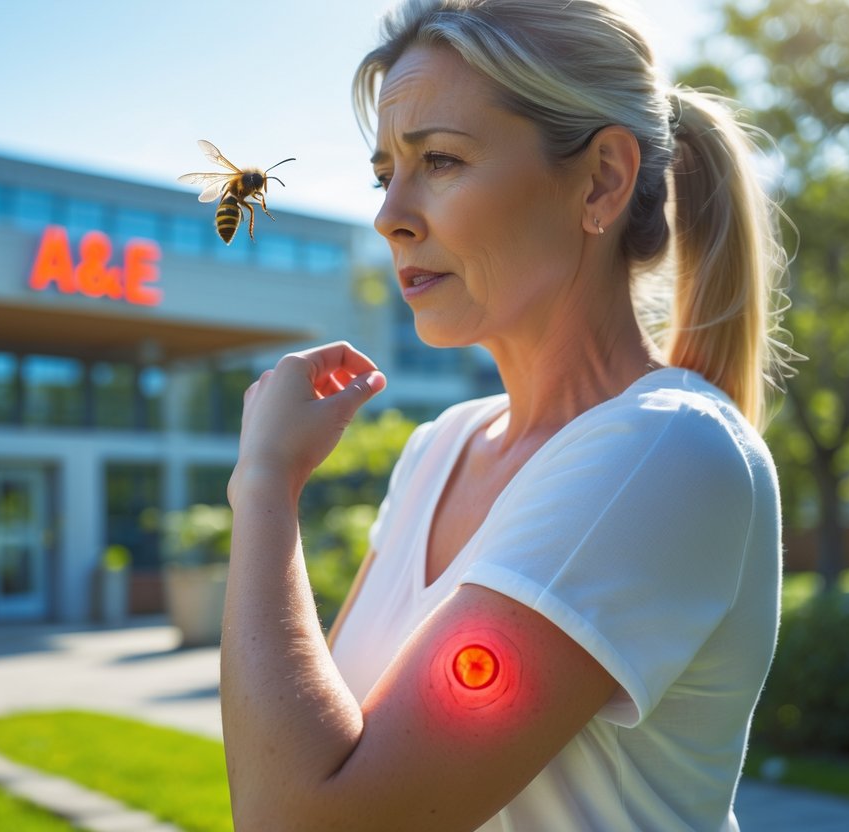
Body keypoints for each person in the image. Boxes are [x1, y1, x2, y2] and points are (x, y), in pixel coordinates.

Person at [221, 0, 791, 829]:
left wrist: (264, 486)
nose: (389, 216)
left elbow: (302, 818)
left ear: (600, 179)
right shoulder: (437, 448)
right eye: (385, 175)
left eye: (441, 161)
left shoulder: (664, 450)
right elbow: (309, 741)